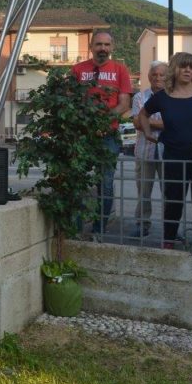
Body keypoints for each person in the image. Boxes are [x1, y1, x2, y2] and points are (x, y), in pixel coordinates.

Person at [138, 53, 192, 248]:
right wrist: (147, 133)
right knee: (173, 202)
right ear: (174, 69)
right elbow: (143, 114)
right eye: (183, 66)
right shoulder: (163, 96)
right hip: (173, 157)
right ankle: (169, 241)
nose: (188, 70)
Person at [70, 31, 132, 234]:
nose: (103, 48)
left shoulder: (120, 70)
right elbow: (70, 101)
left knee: (105, 184)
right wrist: (87, 124)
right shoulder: (78, 70)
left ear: (112, 47)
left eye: (106, 44)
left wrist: (102, 122)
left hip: (108, 136)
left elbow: (124, 104)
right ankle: (76, 231)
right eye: (98, 44)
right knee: (77, 182)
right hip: (82, 135)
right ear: (91, 47)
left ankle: (99, 231)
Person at [130, 61, 167, 237]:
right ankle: (142, 224)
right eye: (154, 74)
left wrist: (146, 120)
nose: (157, 78)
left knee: (170, 193)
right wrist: (162, 123)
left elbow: (174, 124)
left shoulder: (173, 96)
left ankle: (170, 227)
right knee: (143, 192)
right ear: (149, 76)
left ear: (168, 77)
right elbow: (137, 123)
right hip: (145, 151)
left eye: (161, 75)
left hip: (168, 152)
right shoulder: (140, 97)